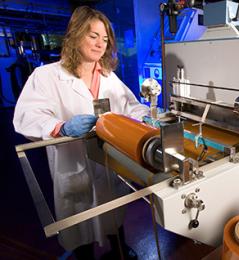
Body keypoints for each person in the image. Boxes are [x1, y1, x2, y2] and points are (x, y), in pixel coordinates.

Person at [13, 6, 149, 260]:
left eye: (105, 38)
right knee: (78, 223)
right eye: (93, 36)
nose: (100, 44)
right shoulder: (47, 76)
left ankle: (120, 248)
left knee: (113, 214)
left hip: (108, 164)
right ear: (76, 35)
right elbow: (26, 116)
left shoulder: (109, 77)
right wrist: (60, 128)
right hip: (73, 163)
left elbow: (131, 105)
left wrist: (145, 116)